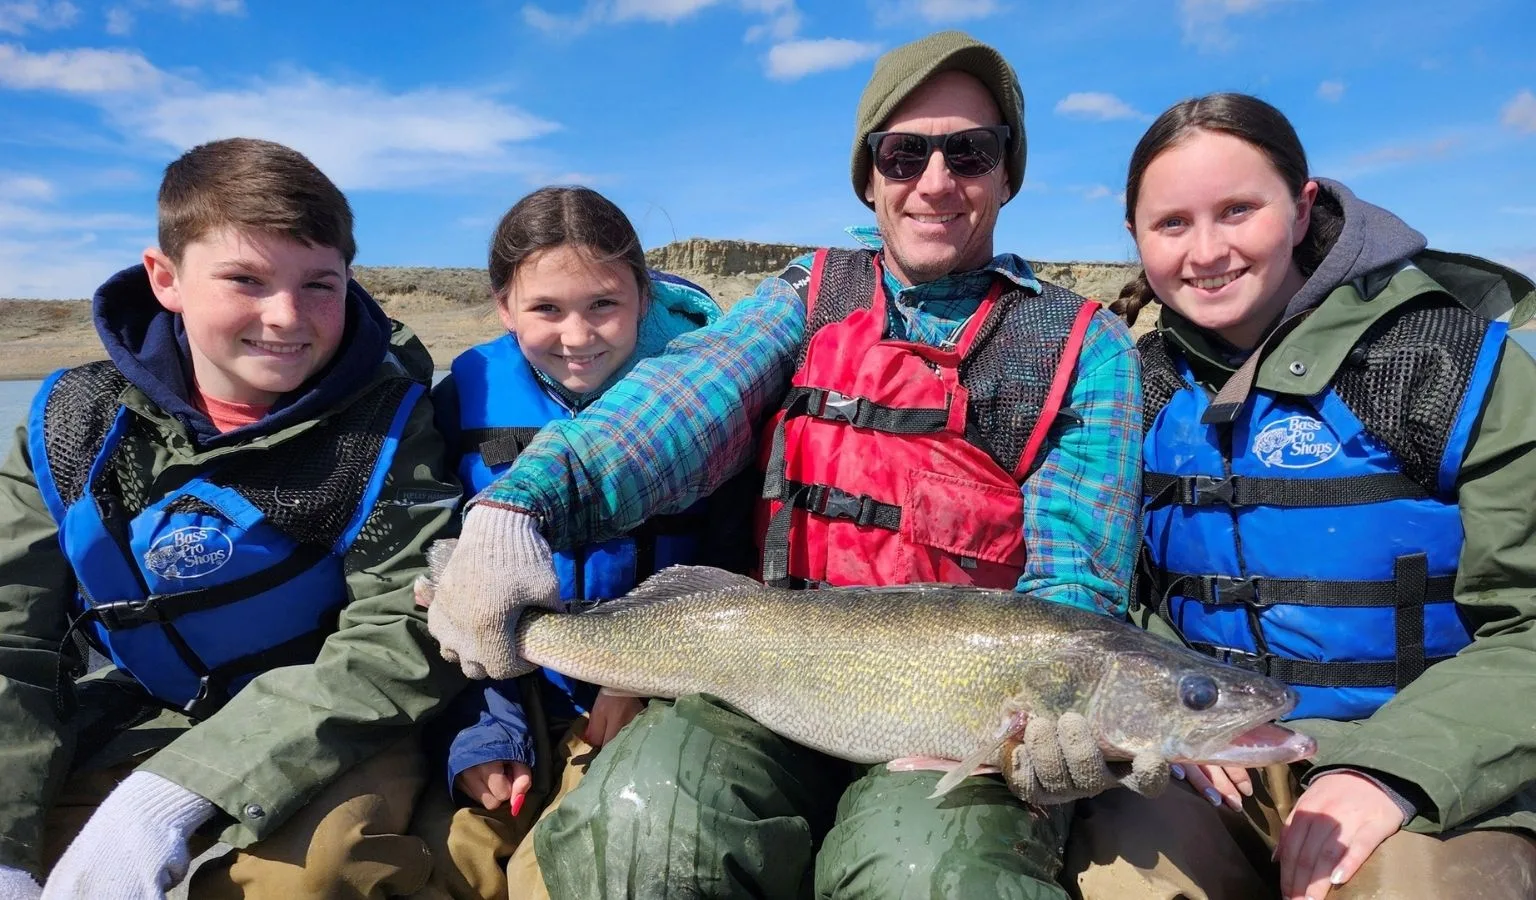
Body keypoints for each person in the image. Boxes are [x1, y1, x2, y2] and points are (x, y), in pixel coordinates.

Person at [423, 31, 1159, 899]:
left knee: (935, 873)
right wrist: (523, 505)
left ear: (1007, 173)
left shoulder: (1085, 348)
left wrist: (1060, 732)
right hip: (763, 680)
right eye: (903, 153)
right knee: (641, 818)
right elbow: (686, 403)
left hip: (966, 723)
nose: (934, 180)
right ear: (869, 172)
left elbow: (1074, 584)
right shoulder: (807, 296)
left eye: (970, 151)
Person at [1062, 92, 1536, 900]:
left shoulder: (1446, 365)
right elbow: (1116, 599)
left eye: (1239, 210)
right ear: (1136, 237)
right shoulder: (1133, 384)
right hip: (1202, 760)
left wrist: (1392, 774)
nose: (1206, 251)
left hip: (1429, 768)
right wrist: (1169, 721)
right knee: (1116, 876)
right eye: (1172, 224)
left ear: (1303, 206)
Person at [0, 138, 466, 899]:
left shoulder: (390, 429)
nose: (286, 318)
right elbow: (11, 638)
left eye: (320, 285)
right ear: (166, 279)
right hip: (136, 708)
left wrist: (168, 798)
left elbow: (399, 630)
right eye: (244, 280)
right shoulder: (67, 422)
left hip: (332, 716)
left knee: (313, 878)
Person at [412, 186, 735, 900]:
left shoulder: (700, 394)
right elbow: (441, 578)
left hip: (653, 693)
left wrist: (636, 680)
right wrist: (483, 735)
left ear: (643, 299)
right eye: (546, 310)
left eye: (603, 306)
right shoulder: (463, 393)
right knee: (443, 863)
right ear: (503, 306)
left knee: (563, 876)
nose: (578, 335)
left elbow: (730, 564)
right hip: (505, 694)